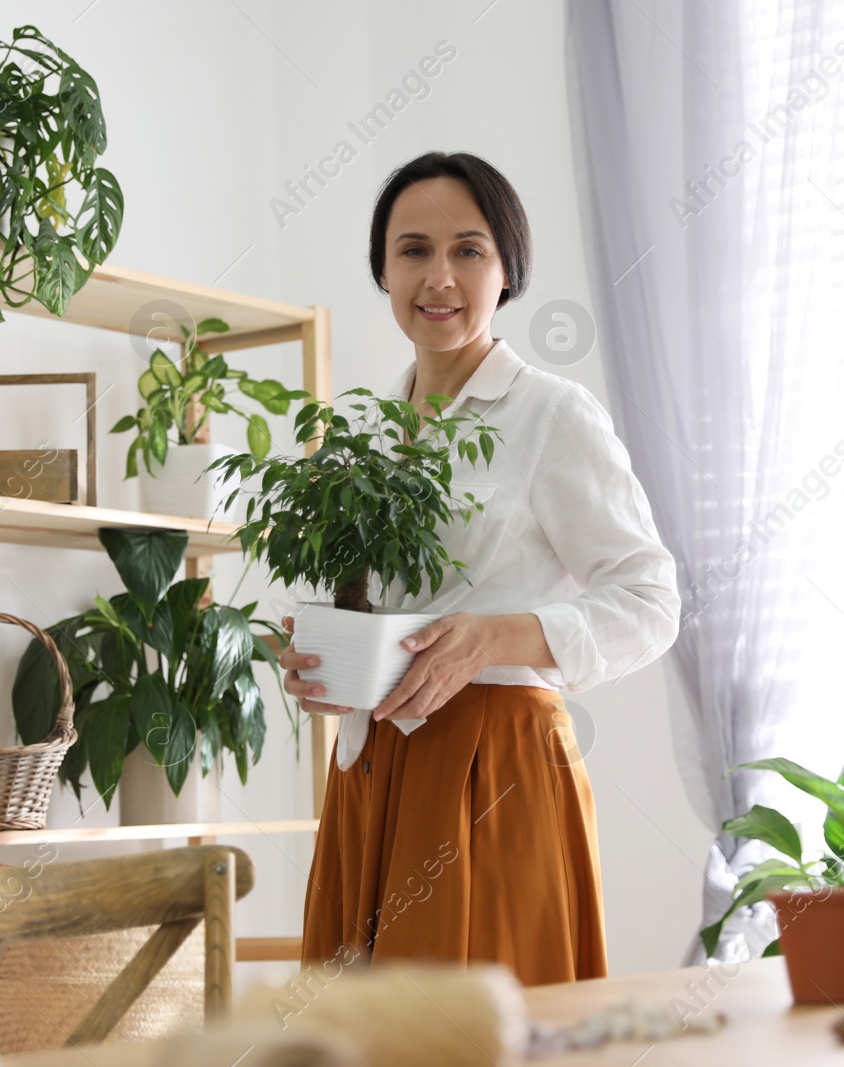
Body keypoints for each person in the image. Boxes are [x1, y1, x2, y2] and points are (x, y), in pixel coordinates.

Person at [288, 151, 682, 985]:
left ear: (508, 269)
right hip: (371, 777)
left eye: (468, 250)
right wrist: (326, 661)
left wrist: (495, 636)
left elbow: (652, 600)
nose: (439, 276)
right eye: (413, 250)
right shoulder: (367, 437)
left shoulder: (551, 414)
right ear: (382, 270)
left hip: (495, 773)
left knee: (483, 1033)